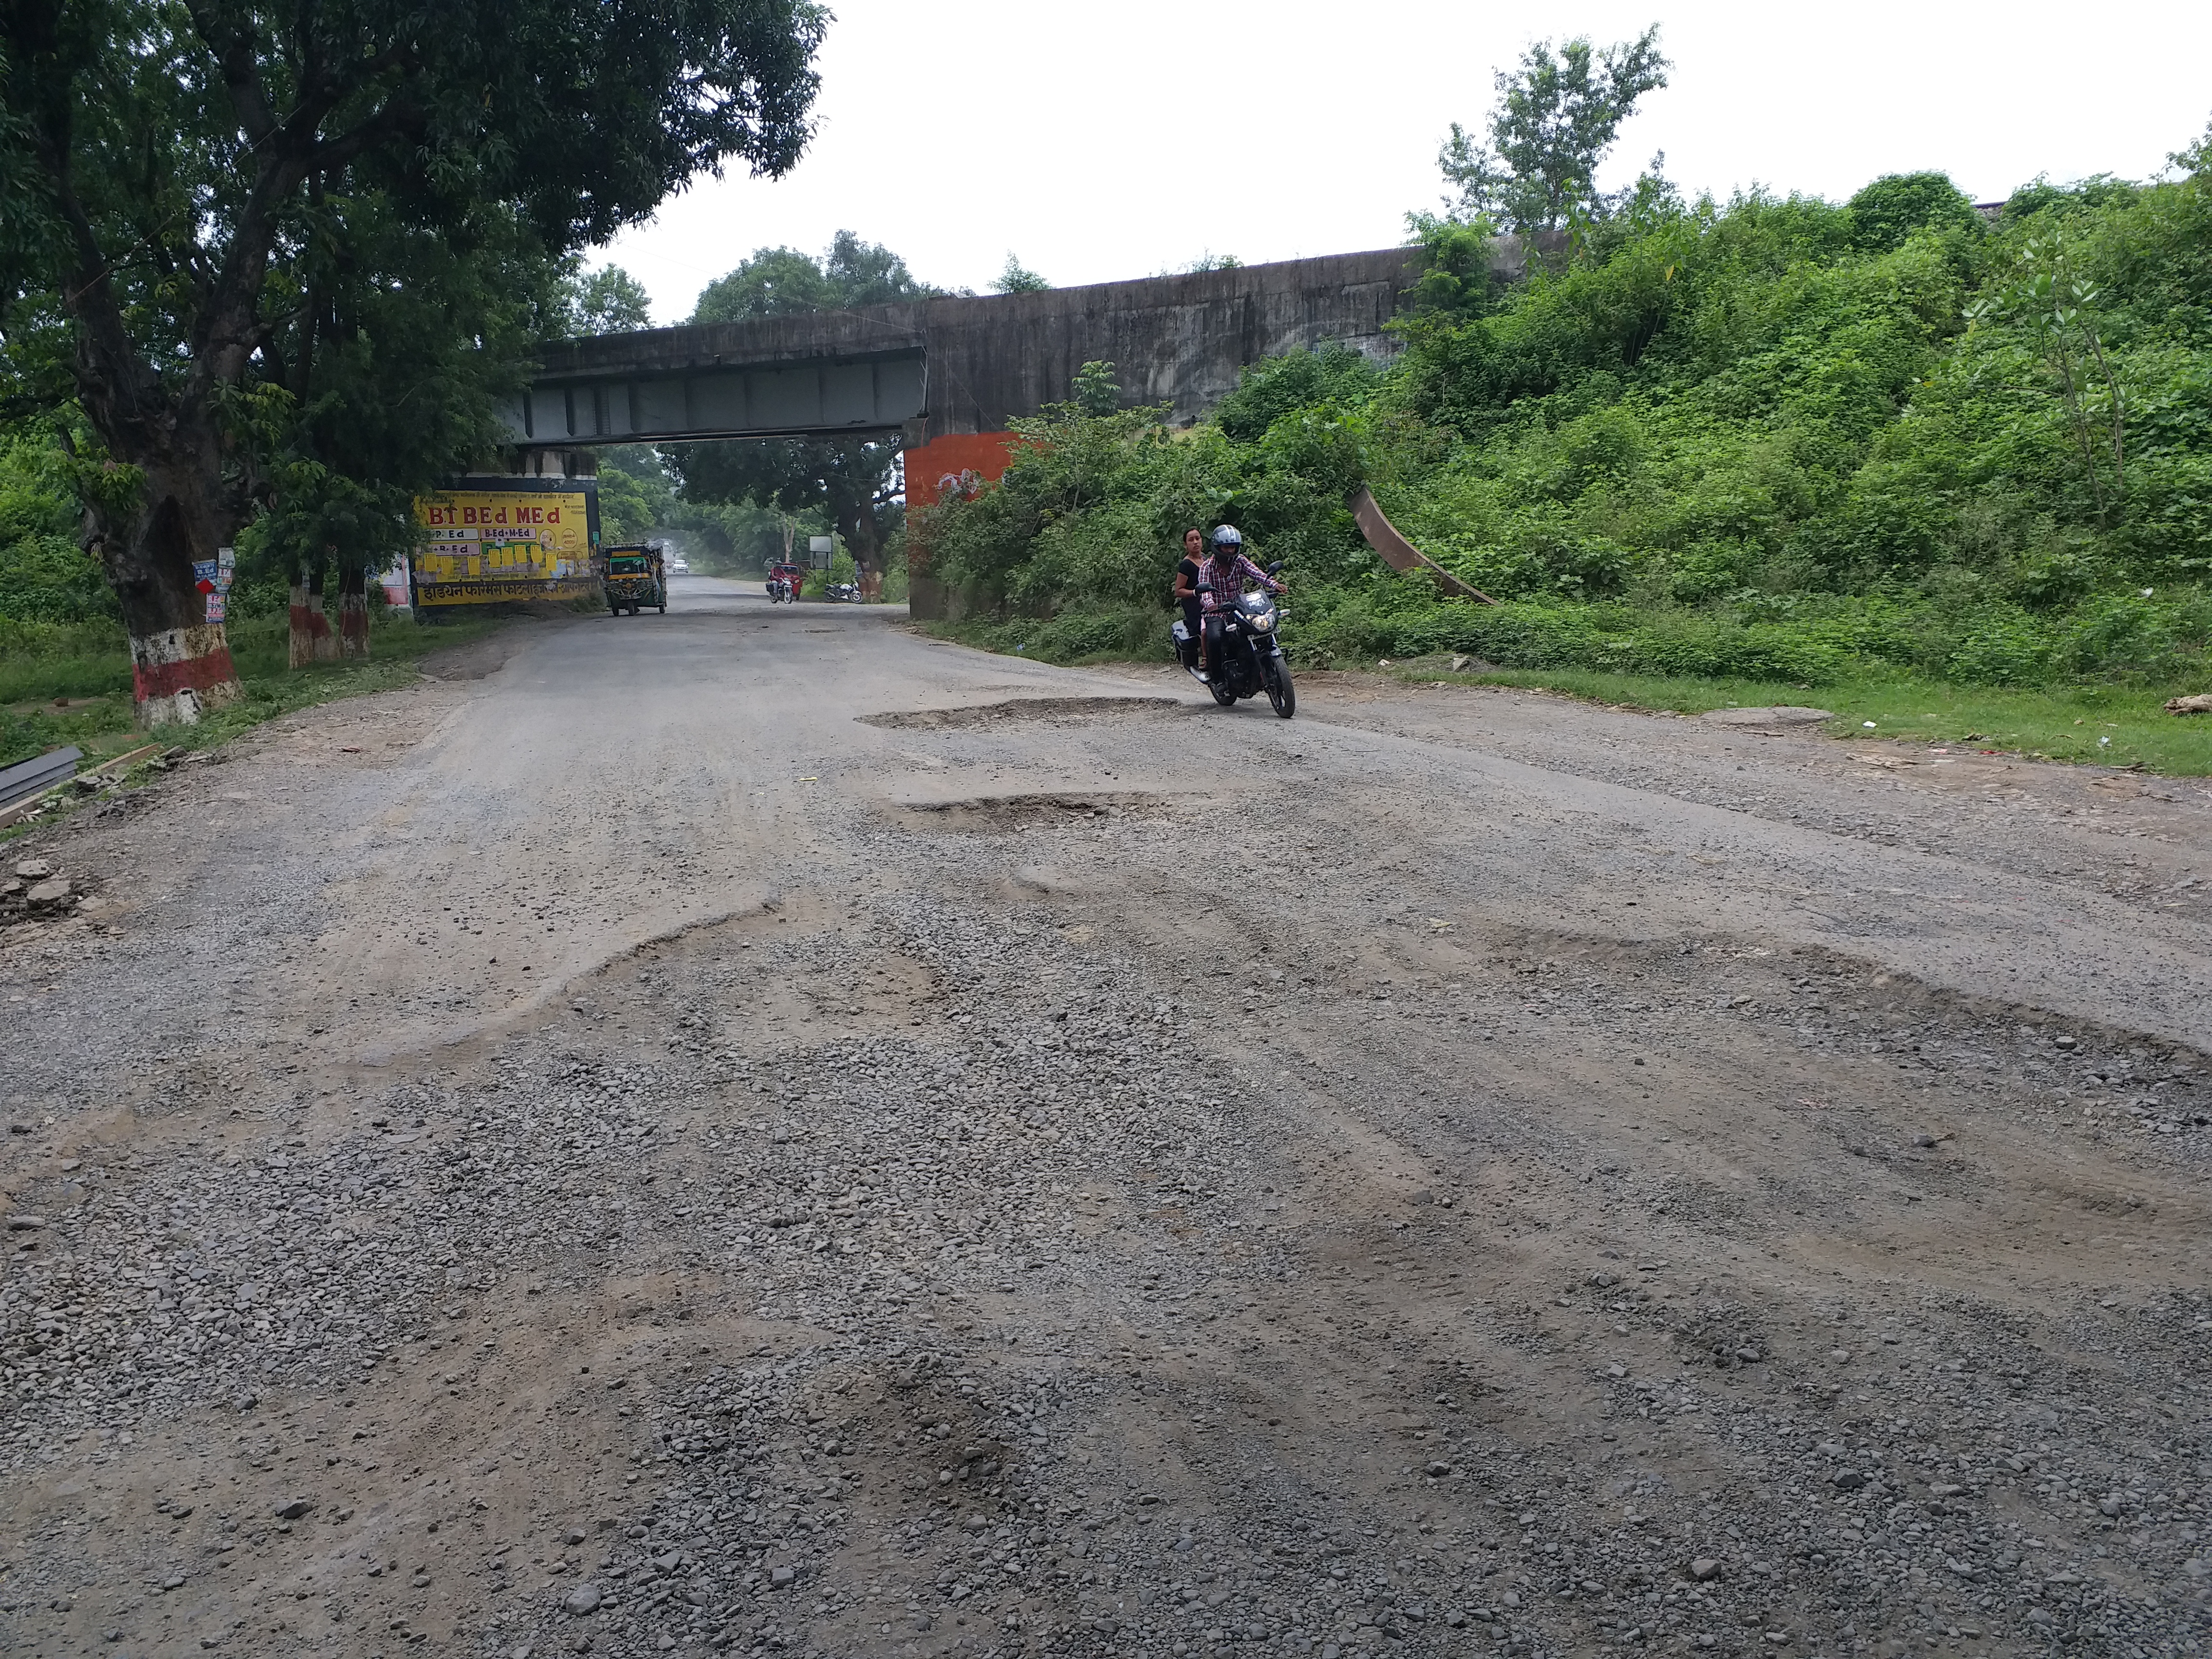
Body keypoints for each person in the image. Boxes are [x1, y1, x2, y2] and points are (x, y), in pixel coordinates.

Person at [1197, 524, 1283, 681]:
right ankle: (1218, 678)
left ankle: (1257, 666)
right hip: (1217, 611)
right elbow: (1205, 591)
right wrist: (1211, 604)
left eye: (1233, 547)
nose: (1230, 551)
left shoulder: (1241, 561)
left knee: (1257, 630)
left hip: (1240, 608)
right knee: (1215, 638)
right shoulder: (1207, 567)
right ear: (1217, 547)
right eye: (1226, 547)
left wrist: (1274, 584)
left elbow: (1257, 574)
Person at [1171, 528, 1205, 672]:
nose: (1195, 542)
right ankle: (1206, 658)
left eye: (1198, 538)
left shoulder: (1206, 559)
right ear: (1186, 545)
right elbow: (1179, 591)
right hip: (1195, 605)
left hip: (1211, 601)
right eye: (1191, 540)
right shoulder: (1186, 565)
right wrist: (1195, 592)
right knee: (1206, 628)